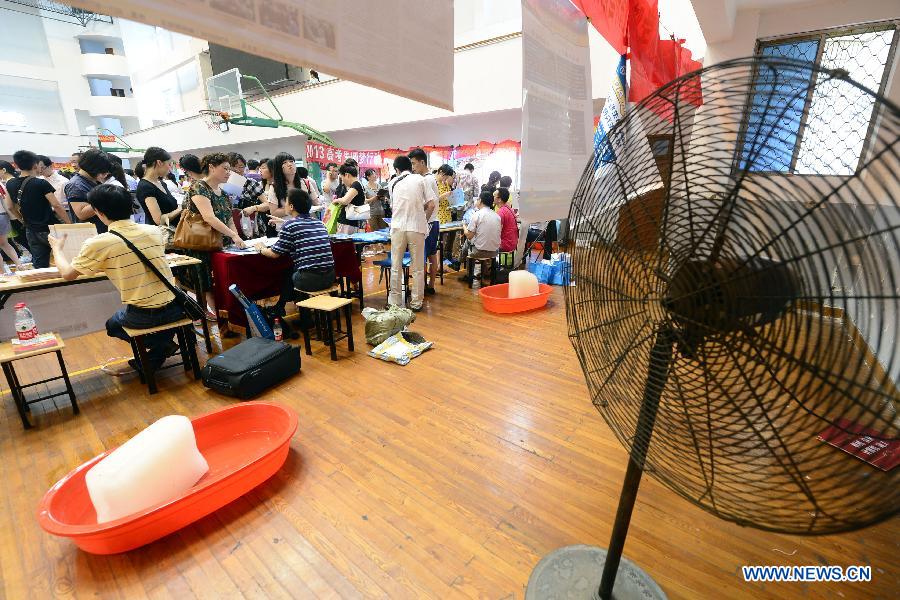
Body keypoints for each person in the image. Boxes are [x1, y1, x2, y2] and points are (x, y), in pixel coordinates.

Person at [49, 184, 187, 373]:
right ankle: (158, 350)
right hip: (175, 307)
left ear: (98, 212)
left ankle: (160, 346)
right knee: (146, 318)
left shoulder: (99, 242)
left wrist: (57, 248)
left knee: (112, 324)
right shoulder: (154, 231)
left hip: (143, 315)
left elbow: (67, 274)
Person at [175, 153, 246, 318]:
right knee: (205, 282)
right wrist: (233, 235)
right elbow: (208, 217)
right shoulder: (199, 187)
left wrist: (236, 236)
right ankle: (214, 315)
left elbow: (229, 217)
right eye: (225, 169)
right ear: (212, 167)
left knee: (220, 280)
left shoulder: (223, 191)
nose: (229, 173)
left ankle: (224, 315)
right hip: (202, 242)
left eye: (230, 169)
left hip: (220, 241)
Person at [255, 188, 335, 317]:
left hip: (310, 280)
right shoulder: (319, 224)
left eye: (286, 202)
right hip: (330, 277)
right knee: (292, 271)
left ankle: (297, 313)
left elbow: (274, 254)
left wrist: (260, 248)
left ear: (291, 206)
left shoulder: (290, 226)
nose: (285, 205)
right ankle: (286, 308)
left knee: (287, 274)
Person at [5, 150, 72, 267]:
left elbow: (10, 207)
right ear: (35, 165)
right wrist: (69, 223)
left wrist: (23, 220)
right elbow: (56, 205)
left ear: (15, 165)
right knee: (65, 257)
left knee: (40, 262)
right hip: (50, 228)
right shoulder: (41, 183)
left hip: (31, 230)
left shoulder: (10, 184)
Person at [388, 155, 434, 311]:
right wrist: (423, 219)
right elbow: (432, 204)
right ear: (410, 166)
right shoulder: (420, 180)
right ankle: (416, 303)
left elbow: (394, 206)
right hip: (416, 228)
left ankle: (395, 303)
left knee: (395, 266)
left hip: (397, 228)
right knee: (418, 267)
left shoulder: (392, 183)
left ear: (397, 169)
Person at [409, 148, 441, 295]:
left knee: (423, 257)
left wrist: (422, 221)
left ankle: (422, 288)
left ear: (422, 162)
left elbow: (430, 204)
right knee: (432, 255)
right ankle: (431, 285)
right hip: (433, 222)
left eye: (414, 164)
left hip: (429, 222)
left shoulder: (426, 179)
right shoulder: (430, 178)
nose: (413, 167)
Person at [65, 149, 114, 233]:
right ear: (94, 167)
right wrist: (108, 197)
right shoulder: (75, 185)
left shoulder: (93, 180)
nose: (105, 174)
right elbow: (81, 213)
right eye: (103, 170)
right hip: (91, 233)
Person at [459, 191, 501, 283]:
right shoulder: (497, 216)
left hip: (479, 252)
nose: (476, 201)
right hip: (494, 252)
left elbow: (469, 235)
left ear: (480, 201)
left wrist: (464, 226)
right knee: (477, 241)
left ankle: (463, 267)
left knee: (468, 241)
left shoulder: (477, 214)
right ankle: (484, 272)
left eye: (477, 199)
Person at [136, 147, 181, 227]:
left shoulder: (161, 183)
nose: (170, 168)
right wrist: (181, 209)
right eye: (169, 164)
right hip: (166, 235)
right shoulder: (145, 187)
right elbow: (159, 220)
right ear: (159, 163)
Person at [333, 164, 366, 235]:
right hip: (353, 221)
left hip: (349, 222)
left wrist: (336, 200)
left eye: (342, 178)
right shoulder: (358, 184)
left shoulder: (356, 184)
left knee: (345, 244)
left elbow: (345, 201)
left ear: (347, 175)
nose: (343, 182)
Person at [0, 161, 22, 265]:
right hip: (3, 216)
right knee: (5, 244)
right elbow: (5, 202)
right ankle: (19, 265)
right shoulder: (1, 184)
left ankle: (2, 272)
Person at [495, 188, 517, 253]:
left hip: (505, 244)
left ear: (499, 199)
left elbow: (496, 231)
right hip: (512, 243)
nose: (492, 197)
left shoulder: (501, 212)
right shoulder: (508, 208)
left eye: (494, 196)